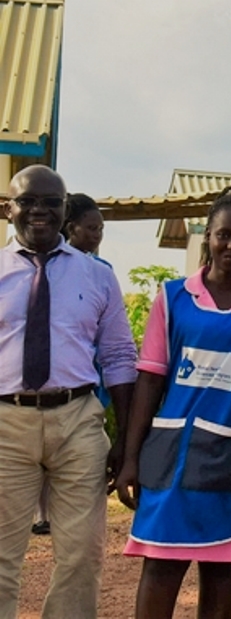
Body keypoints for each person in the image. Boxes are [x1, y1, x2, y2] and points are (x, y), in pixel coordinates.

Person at [116, 186, 231, 619]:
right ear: (207, 235)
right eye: (224, 234)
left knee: (222, 570)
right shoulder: (173, 299)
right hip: (171, 458)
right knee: (162, 565)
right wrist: (130, 458)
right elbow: (149, 382)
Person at [0, 165, 137, 619]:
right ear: (9, 209)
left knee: (81, 555)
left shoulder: (96, 276)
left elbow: (119, 356)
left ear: (64, 210)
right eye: (28, 201)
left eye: (50, 202)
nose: (39, 210)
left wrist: (125, 441)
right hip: (7, 424)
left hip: (78, 419)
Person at [28, 193, 112, 539]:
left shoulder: (100, 274)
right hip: (25, 402)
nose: (97, 235)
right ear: (71, 227)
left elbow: (115, 345)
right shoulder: (21, 268)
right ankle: (40, 513)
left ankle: (57, 516)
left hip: (84, 389)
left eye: (101, 229)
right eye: (91, 228)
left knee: (75, 464)